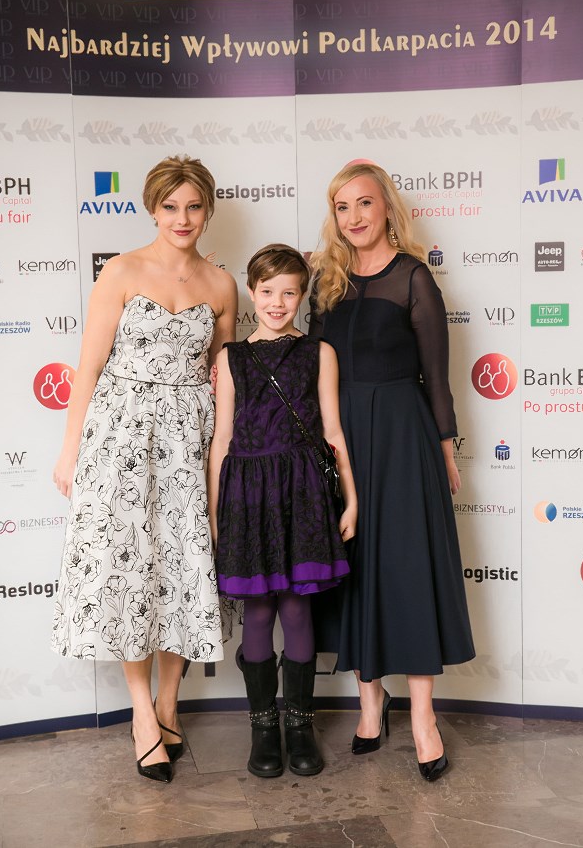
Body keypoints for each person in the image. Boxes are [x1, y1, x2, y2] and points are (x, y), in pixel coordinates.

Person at [51, 155, 237, 783]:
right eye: (170, 207)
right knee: (131, 568)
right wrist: (71, 450)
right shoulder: (121, 271)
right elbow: (89, 366)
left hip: (189, 440)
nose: (182, 219)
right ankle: (140, 713)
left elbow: (221, 376)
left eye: (193, 206)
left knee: (183, 568)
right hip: (121, 436)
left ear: (208, 209)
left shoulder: (221, 284)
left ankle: (168, 704)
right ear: (152, 209)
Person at [309, 161, 475, 782]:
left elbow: (437, 374)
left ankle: (425, 719)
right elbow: (311, 369)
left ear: (386, 209)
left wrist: (445, 449)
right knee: (356, 569)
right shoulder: (325, 282)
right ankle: (370, 707)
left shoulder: (413, 277)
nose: (354, 217)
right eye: (342, 207)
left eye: (364, 203)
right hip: (343, 438)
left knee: (410, 569)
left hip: (405, 438)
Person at [208, 245, 357, 778]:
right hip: (248, 495)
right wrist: (216, 514)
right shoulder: (231, 358)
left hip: (302, 494)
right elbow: (222, 439)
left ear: (302, 295)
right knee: (259, 611)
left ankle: (300, 726)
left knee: (296, 609)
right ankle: (263, 729)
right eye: (267, 291)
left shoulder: (320, 353)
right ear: (251, 293)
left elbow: (333, 432)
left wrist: (352, 498)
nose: (277, 302)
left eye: (289, 292)